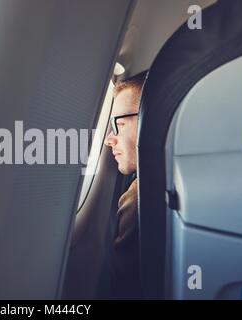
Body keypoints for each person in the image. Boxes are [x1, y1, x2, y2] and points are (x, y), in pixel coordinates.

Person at [103, 70, 148, 299]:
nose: (108, 139)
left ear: (151, 120)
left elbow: (124, 291)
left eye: (118, 123)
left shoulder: (140, 197)